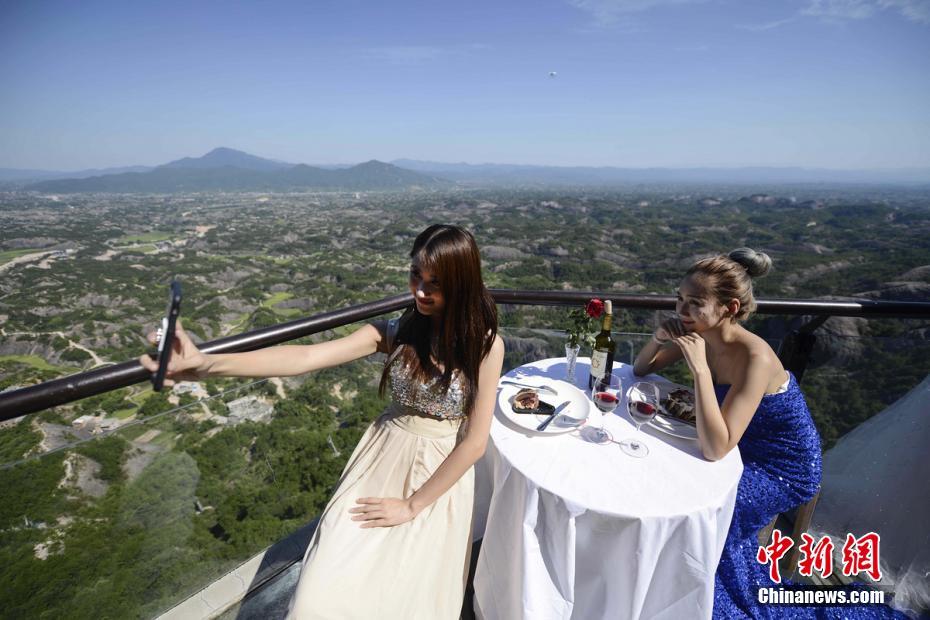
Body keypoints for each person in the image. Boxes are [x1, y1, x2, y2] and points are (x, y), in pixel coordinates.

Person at [140, 224, 504, 619]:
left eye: (435, 283)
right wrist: (208, 364)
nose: (419, 290)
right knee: (318, 594)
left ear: (462, 284)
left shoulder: (485, 346)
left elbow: (474, 442)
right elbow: (305, 358)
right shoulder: (395, 333)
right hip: (380, 459)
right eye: (415, 274)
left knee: (408, 598)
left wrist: (412, 505)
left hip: (438, 475)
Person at [633, 249, 902, 619]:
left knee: (702, 513)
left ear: (728, 308)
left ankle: (696, 598)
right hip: (737, 446)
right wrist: (659, 338)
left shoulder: (754, 357)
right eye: (679, 299)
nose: (682, 311)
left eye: (695, 303)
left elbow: (716, 448)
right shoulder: (701, 332)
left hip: (782, 467)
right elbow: (641, 368)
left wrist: (699, 372)